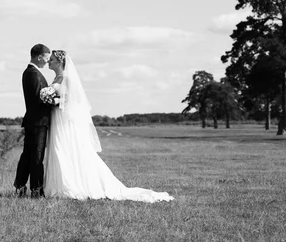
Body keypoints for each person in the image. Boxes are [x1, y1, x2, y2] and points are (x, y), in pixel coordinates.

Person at [43, 50, 174, 203]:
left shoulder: (68, 77)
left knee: (67, 149)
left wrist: (55, 101)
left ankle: (73, 185)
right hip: (57, 118)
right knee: (60, 149)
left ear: (59, 62)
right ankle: (58, 185)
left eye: (51, 59)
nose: (48, 62)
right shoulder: (56, 77)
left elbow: (75, 101)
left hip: (65, 120)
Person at [14, 43, 53, 198]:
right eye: (47, 58)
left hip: (34, 121)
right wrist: (56, 100)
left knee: (28, 155)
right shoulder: (33, 73)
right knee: (36, 156)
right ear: (39, 57)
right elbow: (39, 99)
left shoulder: (31, 72)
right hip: (38, 122)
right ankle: (36, 190)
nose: (48, 61)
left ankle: (20, 186)